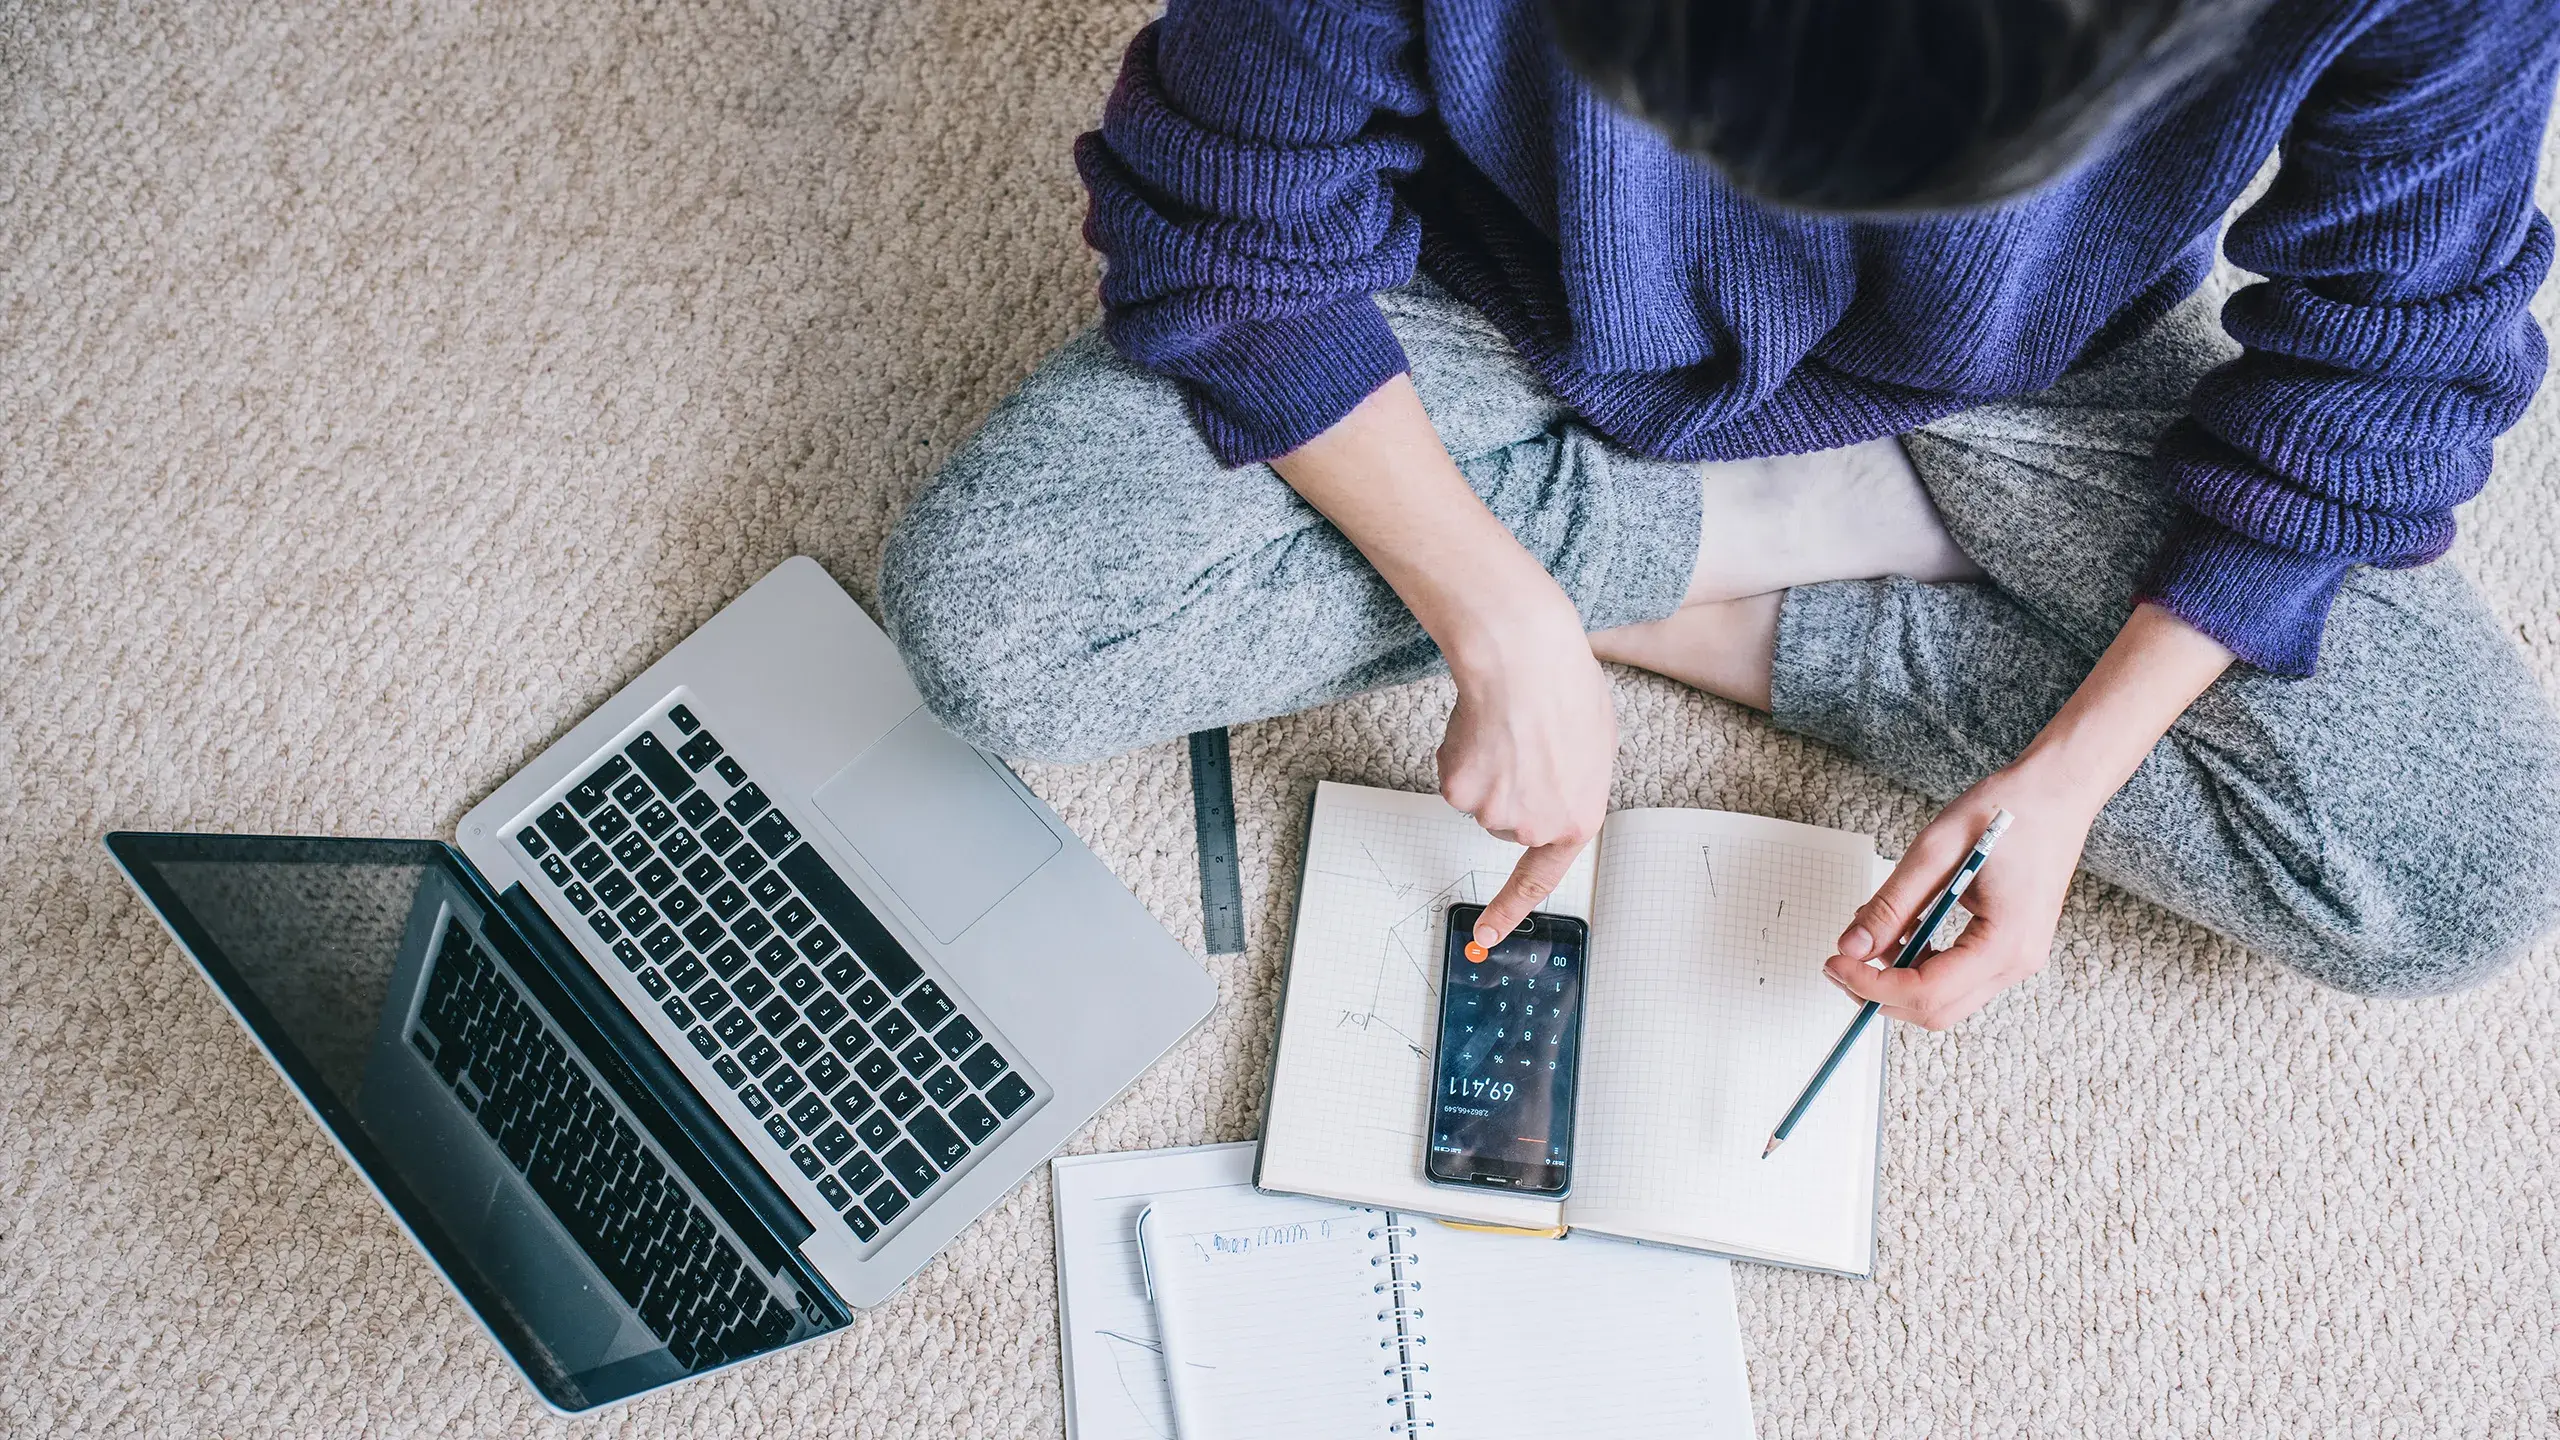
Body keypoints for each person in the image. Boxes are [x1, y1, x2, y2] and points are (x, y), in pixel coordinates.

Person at [881, 0, 2560, 1025]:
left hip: (2015, 367)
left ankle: (1733, 540)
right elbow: (1228, 225)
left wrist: (2072, 776)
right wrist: (1499, 616)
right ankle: (1773, 526)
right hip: (1483, 286)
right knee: (1002, 626)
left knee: (2463, 863)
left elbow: (2388, 375)